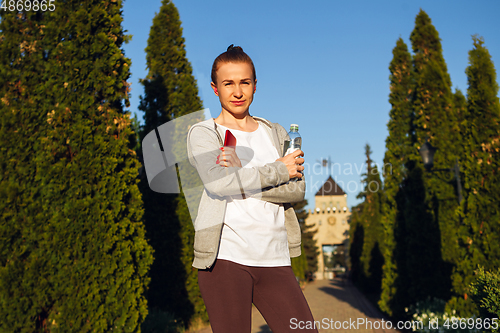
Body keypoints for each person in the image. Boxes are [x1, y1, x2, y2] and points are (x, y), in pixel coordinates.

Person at [186, 45, 318, 333]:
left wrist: (240, 178)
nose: (237, 91)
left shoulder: (277, 133)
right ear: (215, 88)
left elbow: (297, 191)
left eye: (244, 82)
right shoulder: (205, 133)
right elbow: (219, 183)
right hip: (225, 261)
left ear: (255, 86)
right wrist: (279, 170)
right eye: (228, 83)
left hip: (276, 259)